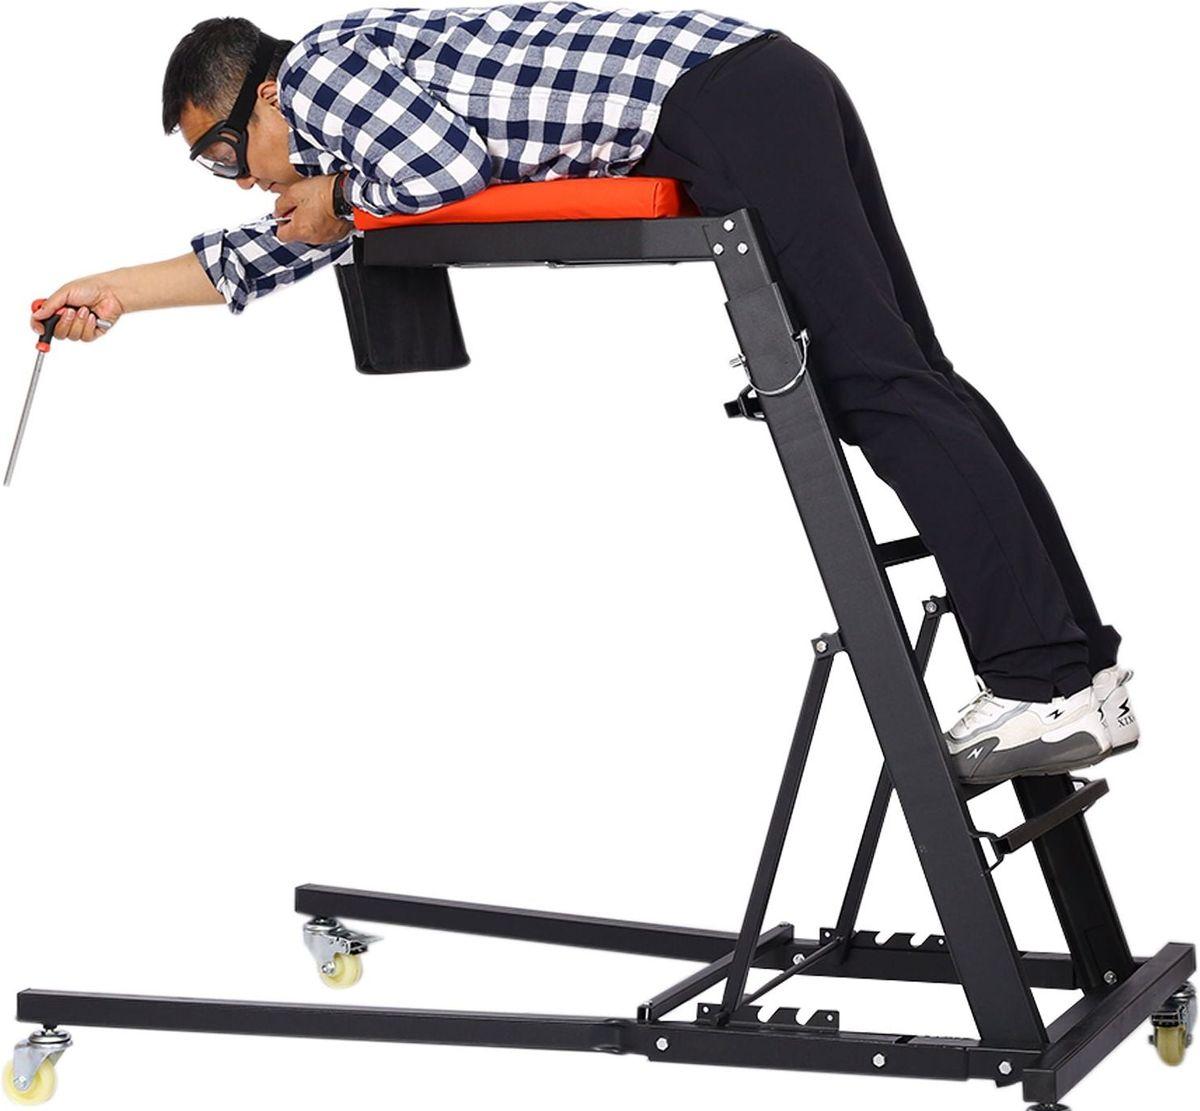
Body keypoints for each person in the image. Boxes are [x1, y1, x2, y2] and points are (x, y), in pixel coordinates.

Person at [31, 5, 1138, 784]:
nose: (244, 179)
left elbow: (441, 177)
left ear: (267, 93)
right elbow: (272, 251)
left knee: (875, 384)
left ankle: (1042, 679)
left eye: (229, 152)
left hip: (721, 100)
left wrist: (342, 199)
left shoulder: (322, 71)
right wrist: (113, 293)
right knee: (903, 379)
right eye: (219, 172)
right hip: (750, 86)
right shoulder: (342, 126)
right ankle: (1076, 668)